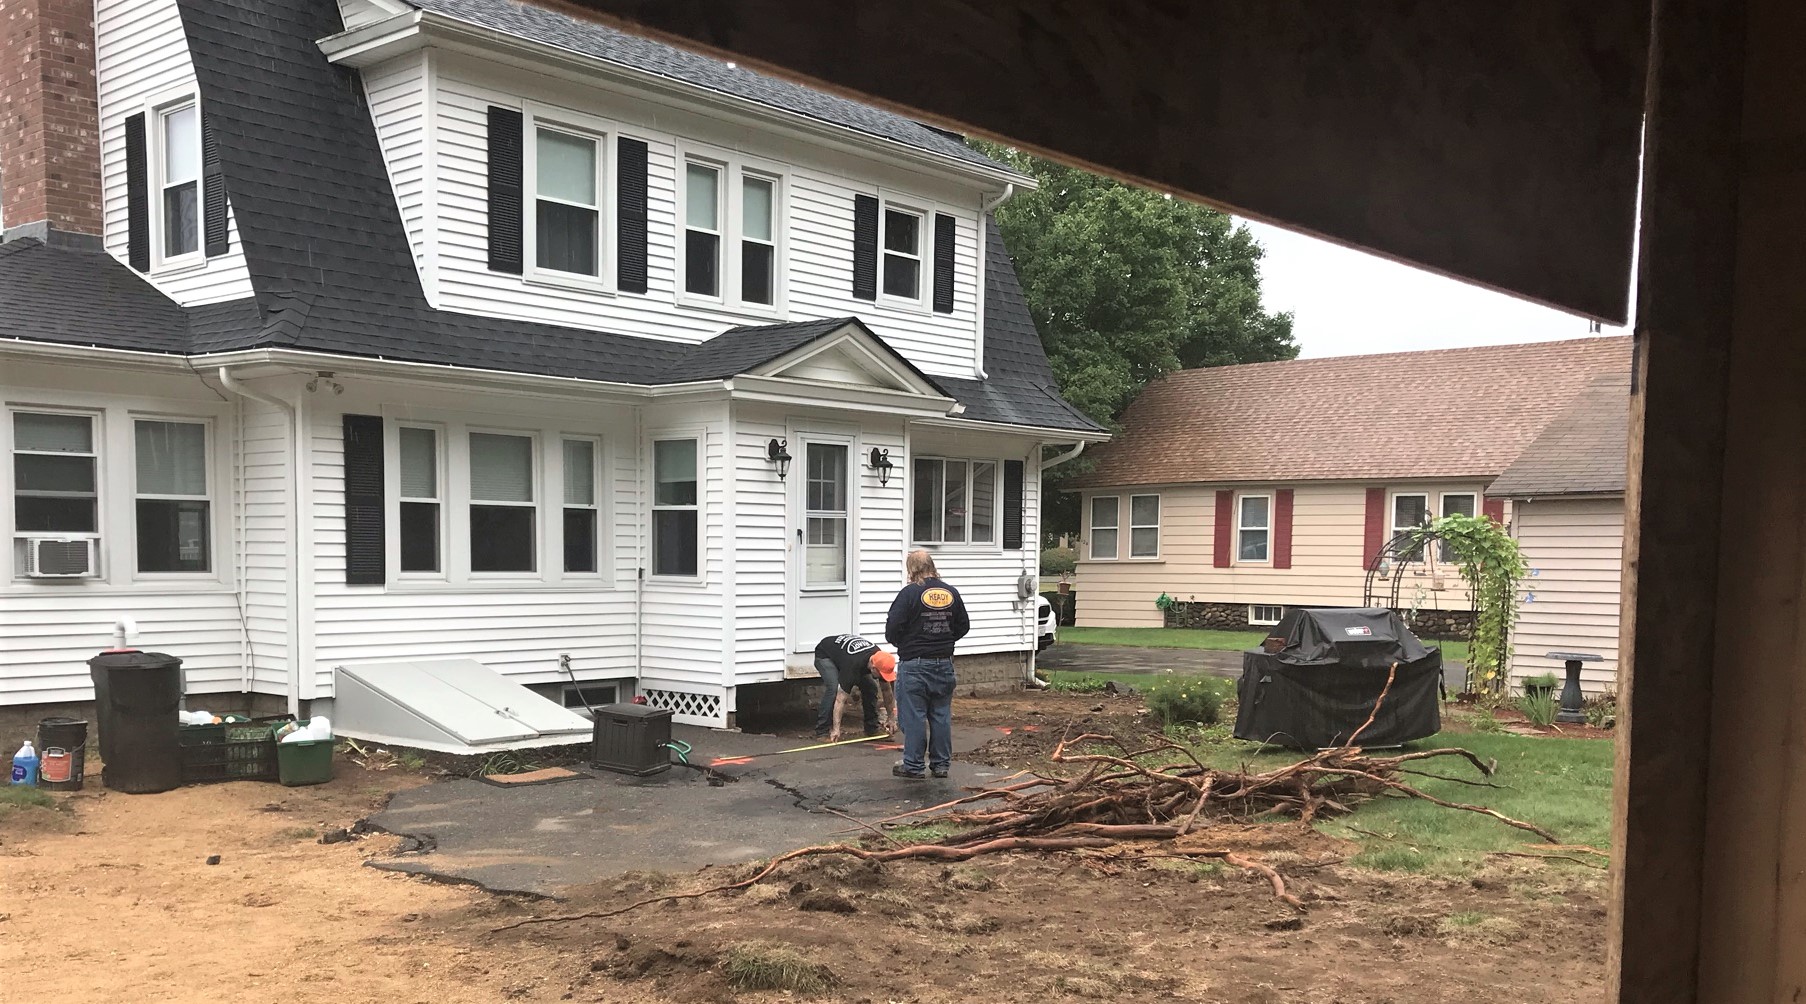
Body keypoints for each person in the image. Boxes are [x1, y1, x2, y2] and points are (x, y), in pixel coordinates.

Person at [884, 550, 970, 779]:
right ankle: (941, 765)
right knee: (940, 715)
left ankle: (913, 765)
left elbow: (893, 627)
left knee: (914, 716)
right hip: (944, 663)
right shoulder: (951, 592)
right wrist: (944, 641)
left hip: (915, 665)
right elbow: (963, 625)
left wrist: (904, 642)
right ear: (932, 566)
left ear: (911, 569)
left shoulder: (909, 593)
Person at [812, 634, 893, 739]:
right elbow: (840, 700)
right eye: (881, 674)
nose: (882, 677)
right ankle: (822, 732)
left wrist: (891, 719)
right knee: (833, 688)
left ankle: (872, 728)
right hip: (825, 654)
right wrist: (836, 729)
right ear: (873, 668)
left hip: (846, 655)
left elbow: (886, 690)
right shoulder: (852, 666)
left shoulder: (880, 659)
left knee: (871, 687)